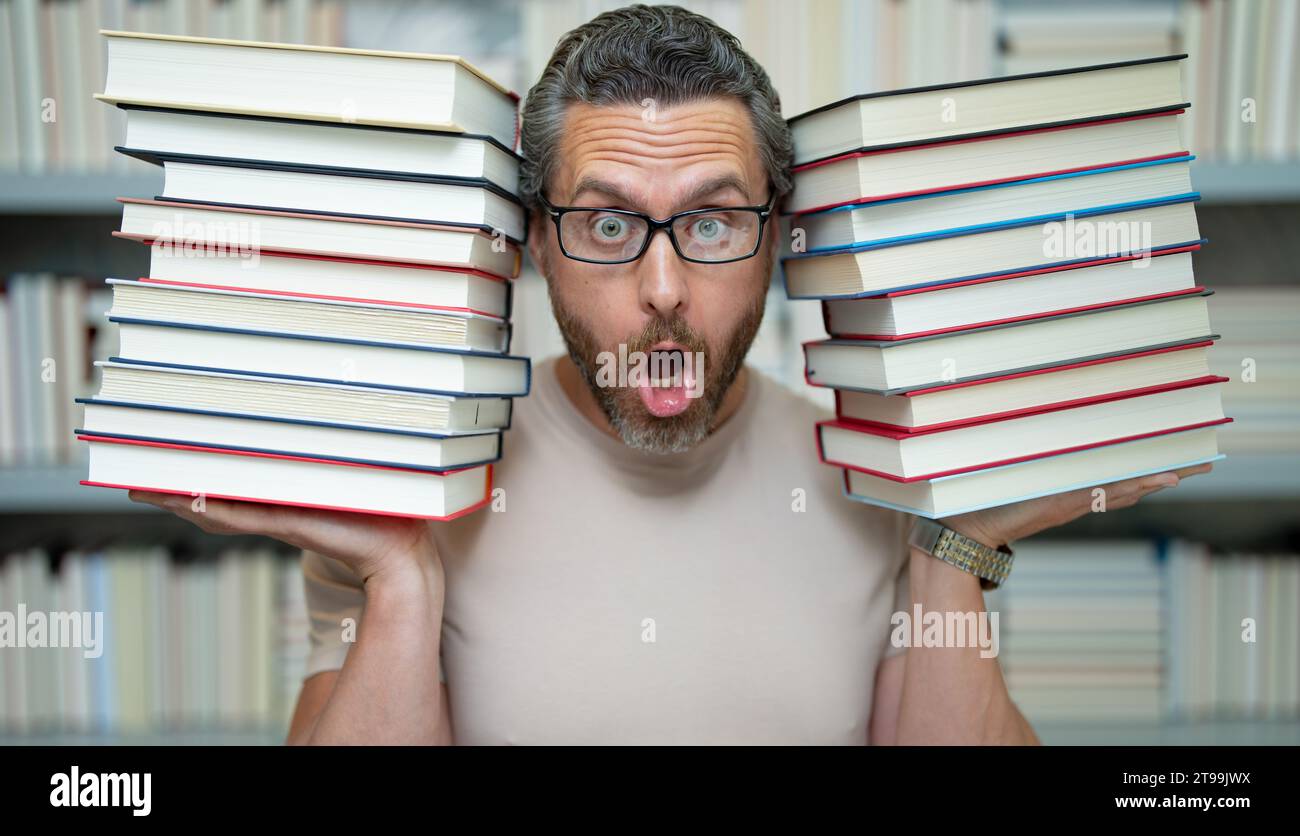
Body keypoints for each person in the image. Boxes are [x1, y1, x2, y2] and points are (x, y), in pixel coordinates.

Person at [130, 4, 1209, 744]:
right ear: (532, 242)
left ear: (779, 235)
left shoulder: (878, 475)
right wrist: (403, 581)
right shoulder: (415, 488)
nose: (661, 287)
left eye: (711, 218)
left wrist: (949, 545)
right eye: (605, 221)